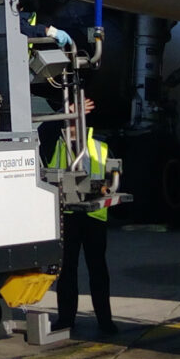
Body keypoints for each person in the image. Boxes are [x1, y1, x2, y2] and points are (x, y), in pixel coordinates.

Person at [49, 113, 118, 336]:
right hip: (67, 215)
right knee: (67, 269)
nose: (71, 126)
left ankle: (105, 320)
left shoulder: (101, 147)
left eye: (73, 120)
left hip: (94, 217)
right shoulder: (55, 145)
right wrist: (63, 111)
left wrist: (99, 188)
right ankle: (66, 319)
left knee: (97, 269)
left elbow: (114, 179)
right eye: (67, 121)